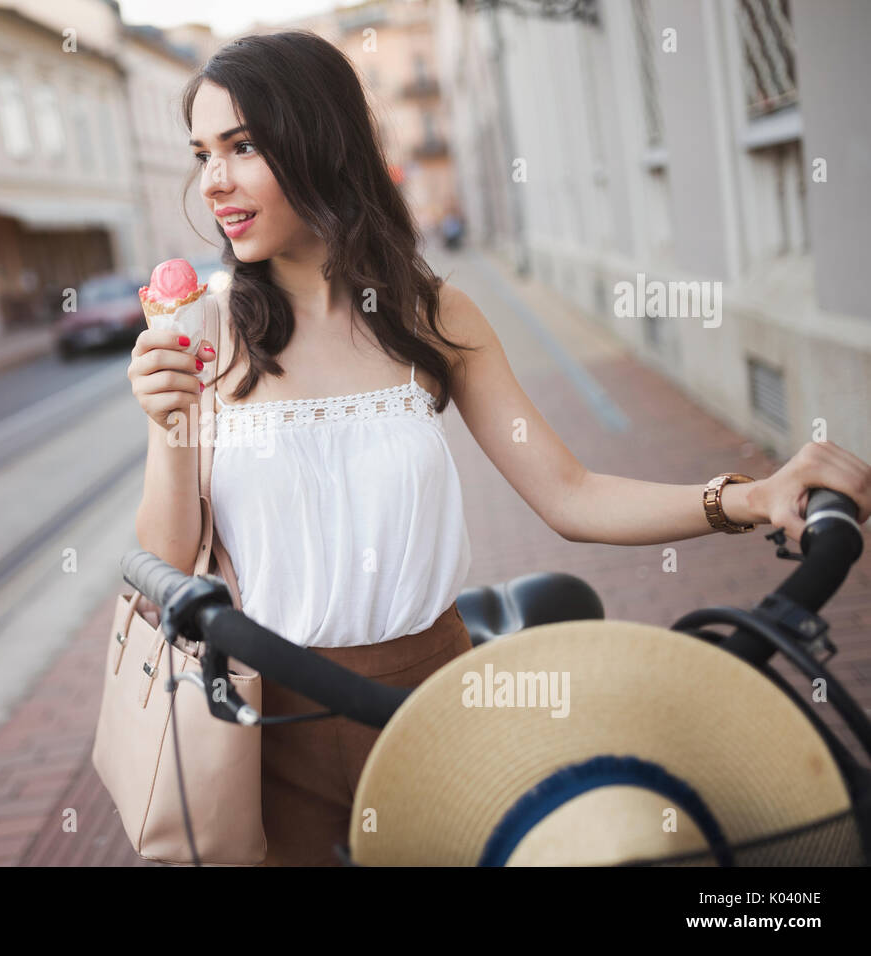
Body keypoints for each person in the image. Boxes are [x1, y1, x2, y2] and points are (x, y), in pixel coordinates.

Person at [126, 31, 871, 867]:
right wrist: (167, 428)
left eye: (243, 145)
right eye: (203, 154)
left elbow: (572, 494)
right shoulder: (201, 335)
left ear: (318, 142)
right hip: (268, 725)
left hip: (441, 705)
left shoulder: (434, 316)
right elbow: (166, 567)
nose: (214, 181)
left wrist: (749, 496)